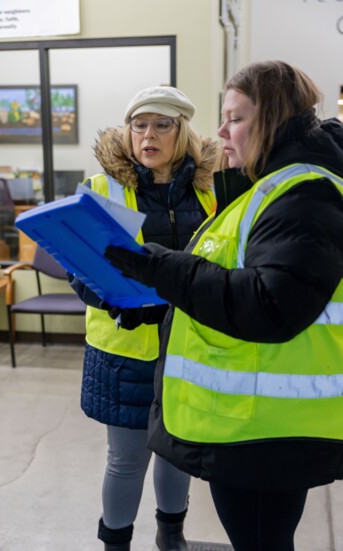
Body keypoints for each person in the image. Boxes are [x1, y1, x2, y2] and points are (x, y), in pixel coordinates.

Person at [104, 60, 343, 551]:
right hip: (253, 420)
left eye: (234, 117)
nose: (220, 131)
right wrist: (153, 298)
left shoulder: (302, 192)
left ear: (272, 120)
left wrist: (158, 267)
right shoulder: (263, 187)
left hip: (266, 431)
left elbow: (269, 305)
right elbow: (229, 279)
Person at [69, 85, 219, 550]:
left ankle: (170, 536)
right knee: (127, 458)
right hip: (125, 349)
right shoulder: (102, 189)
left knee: (178, 453)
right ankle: (115, 543)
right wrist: (113, 297)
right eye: (139, 124)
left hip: (189, 346)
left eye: (161, 124)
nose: (148, 135)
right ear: (128, 130)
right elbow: (80, 268)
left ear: (182, 131)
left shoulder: (211, 191)